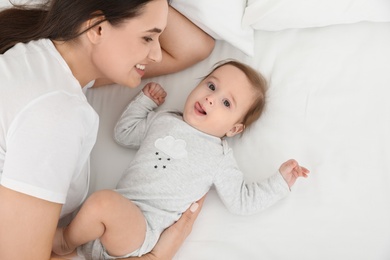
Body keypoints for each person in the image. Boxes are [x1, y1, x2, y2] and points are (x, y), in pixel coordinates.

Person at [0, 0, 214, 259]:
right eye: (148, 38)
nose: (156, 53)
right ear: (97, 29)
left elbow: (194, 48)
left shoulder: (42, 53)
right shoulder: (54, 116)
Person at [52, 60, 310, 259]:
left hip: (143, 229)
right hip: (107, 226)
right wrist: (144, 102)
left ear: (234, 129)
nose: (210, 97)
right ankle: (68, 245)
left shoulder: (218, 156)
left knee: (101, 202)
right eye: (211, 86)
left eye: (226, 103)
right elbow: (124, 133)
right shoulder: (165, 120)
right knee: (92, 208)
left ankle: (65, 240)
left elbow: (241, 201)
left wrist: (279, 183)